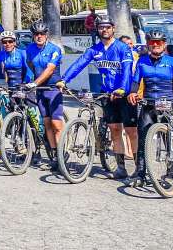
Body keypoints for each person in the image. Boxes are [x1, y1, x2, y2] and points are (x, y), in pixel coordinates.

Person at [57, 17, 136, 178]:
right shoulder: (94, 50)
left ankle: (140, 168)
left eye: (107, 27)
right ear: (97, 30)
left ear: (113, 29)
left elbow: (127, 70)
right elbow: (80, 63)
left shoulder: (122, 48)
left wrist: (123, 89)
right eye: (101, 27)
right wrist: (64, 80)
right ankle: (121, 168)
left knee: (131, 131)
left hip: (124, 94)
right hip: (106, 94)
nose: (104, 30)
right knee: (115, 130)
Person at [127, 31, 173, 186]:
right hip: (148, 104)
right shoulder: (142, 61)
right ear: (148, 44)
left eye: (159, 42)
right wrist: (133, 92)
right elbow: (135, 81)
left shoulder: (172, 61)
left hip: (167, 102)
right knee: (142, 139)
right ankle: (140, 173)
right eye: (153, 42)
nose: (155, 45)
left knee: (169, 138)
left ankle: (172, 170)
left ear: (164, 44)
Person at [21, 20, 66, 163]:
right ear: (33, 36)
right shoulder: (29, 49)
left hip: (53, 89)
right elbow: (30, 67)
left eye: (42, 34)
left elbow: (49, 70)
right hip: (40, 90)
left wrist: (34, 83)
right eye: (36, 34)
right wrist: (28, 82)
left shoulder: (54, 49)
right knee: (46, 123)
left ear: (46, 35)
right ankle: (54, 154)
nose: (39, 36)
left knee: (56, 124)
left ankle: (62, 153)